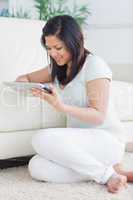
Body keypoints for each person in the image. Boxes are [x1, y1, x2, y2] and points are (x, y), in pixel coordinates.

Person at [16, 15, 132, 193]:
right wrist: (29, 86)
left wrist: (60, 106)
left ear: (74, 42)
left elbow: (98, 116)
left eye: (58, 47)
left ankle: (107, 175)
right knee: (36, 166)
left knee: (41, 138)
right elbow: (24, 78)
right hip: (79, 144)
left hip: (105, 139)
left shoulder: (94, 65)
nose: (53, 54)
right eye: (49, 48)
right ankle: (109, 171)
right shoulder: (57, 68)